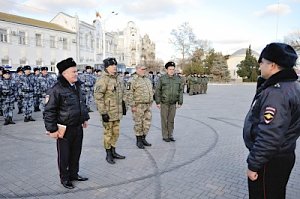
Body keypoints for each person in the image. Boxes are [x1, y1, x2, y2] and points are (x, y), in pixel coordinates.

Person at [243, 42, 300, 199]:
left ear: (272, 65)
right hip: (283, 154)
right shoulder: (293, 85)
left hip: (269, 161)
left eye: (262, 62)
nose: (260, 66)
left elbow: (269, 136)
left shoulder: (276, 93)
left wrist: (254, 165)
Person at [43, 58, 90, 189]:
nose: (76, 74)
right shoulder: (56, 89)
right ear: (64, 74)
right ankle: (65, 178)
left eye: (77, 71)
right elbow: (49, 111)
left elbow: (82, 103)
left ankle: (74, 174)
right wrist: (52, 130)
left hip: (77, 126)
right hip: (64, 128)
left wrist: (84, 118)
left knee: (76, 152)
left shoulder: (77, 85)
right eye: (73, 72)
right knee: (64, 156)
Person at [94, 57, 126, 164]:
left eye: (115, 66)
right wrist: (103, 113)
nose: (114, 67)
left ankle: (113, 151)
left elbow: (122, 93)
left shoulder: (118, 78)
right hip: (108, 113)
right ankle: (108, 154)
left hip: (117, 112)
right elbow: (98, 97)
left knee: (116, 133)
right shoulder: (103, 80)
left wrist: (124, 105)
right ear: (106, 67)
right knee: (108, 133)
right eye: (112, 66)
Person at [125, 65, 153, 149]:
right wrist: (132, 105)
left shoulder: (147, 79)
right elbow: (128, 93)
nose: (144, 71)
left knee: (147, 123)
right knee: (138, 123)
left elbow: (151, 90)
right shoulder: (132, 80)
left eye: (145, 69)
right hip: (138, 105)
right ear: (137, 69)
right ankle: (139, 140)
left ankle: (143, 138)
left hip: (147, 105)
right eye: (142, 69)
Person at [155, 61, 183, 142]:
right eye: (170, 69)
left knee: (171, 120)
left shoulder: (178, 79)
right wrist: (157, 102)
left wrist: (180, 102)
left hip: (173, 103)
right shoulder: (162, 79)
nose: (171, 71)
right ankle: (165, 136)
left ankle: (170, 135)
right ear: (166, 70)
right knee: (164, 120)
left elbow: (180, 91)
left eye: (173, 69)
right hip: (164, 103)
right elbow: (158, 91)